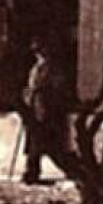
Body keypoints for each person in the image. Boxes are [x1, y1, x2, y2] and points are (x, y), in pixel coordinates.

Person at [20, 39, 68, 185]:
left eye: (40, 51)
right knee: (34, 142)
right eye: (36, 52)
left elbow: (57, 87)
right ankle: (31, 172)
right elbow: (31, 87)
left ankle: (69, 171)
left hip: (47, 108)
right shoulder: (36, 68)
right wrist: (28, 95)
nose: (39, 54)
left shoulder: (52, 68)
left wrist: (40, 93)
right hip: (35, 108)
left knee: (47, 143)